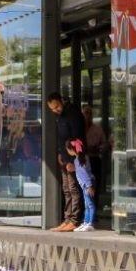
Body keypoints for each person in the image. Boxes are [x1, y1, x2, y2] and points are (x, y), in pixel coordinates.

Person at [46, 92, 85, 232]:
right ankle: (67, 218)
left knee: (74, 189)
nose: (55, 110)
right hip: (64, 156)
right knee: (66, 190)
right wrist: (59, 153)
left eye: (57, 106)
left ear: (61, 101)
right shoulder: (60, 116)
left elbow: (76, 138)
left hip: (72, 157)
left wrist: (71, 160)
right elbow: (61, 137)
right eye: (52, 109)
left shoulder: (72, 113)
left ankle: (75, 220)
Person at [82, 104, 107, 215]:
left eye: (89, 113)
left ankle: (93, 211)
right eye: (85, 113)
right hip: (82, 159)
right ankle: (82, 210)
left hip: (94, 159)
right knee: (82, 185)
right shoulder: (79, 128)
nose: (87, 115)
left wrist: (98, 148)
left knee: (93, 184)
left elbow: (105, 144)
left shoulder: (98, 129)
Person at [66, 138, 95, 232]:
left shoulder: (79, 160)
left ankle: (90, 223)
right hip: (85, 185)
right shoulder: (81, 158)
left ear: (71, 150)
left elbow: (85, 174)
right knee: (87, 204)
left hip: (87, 185)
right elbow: (83, 171)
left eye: (67, 150)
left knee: (89, 204)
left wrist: (89, 186)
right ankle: (86, 222)